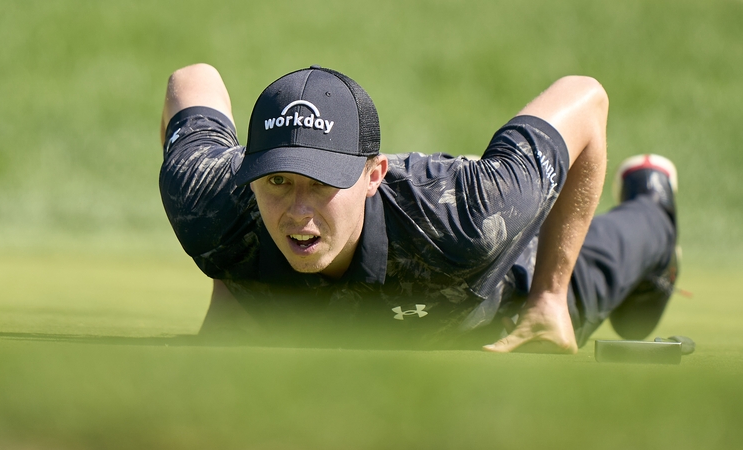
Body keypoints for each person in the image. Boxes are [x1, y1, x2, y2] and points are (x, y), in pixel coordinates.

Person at [158, 64, 679, 352]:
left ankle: (653, 199)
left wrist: (548, 298)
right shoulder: (209, 204)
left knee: (626, 250)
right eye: (276, 181)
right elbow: (191, 78)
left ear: (372, 175)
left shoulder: (467, 217)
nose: (297, 212)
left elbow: (586, 99)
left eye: (322, 184)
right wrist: (226, 276)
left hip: (498, 304)